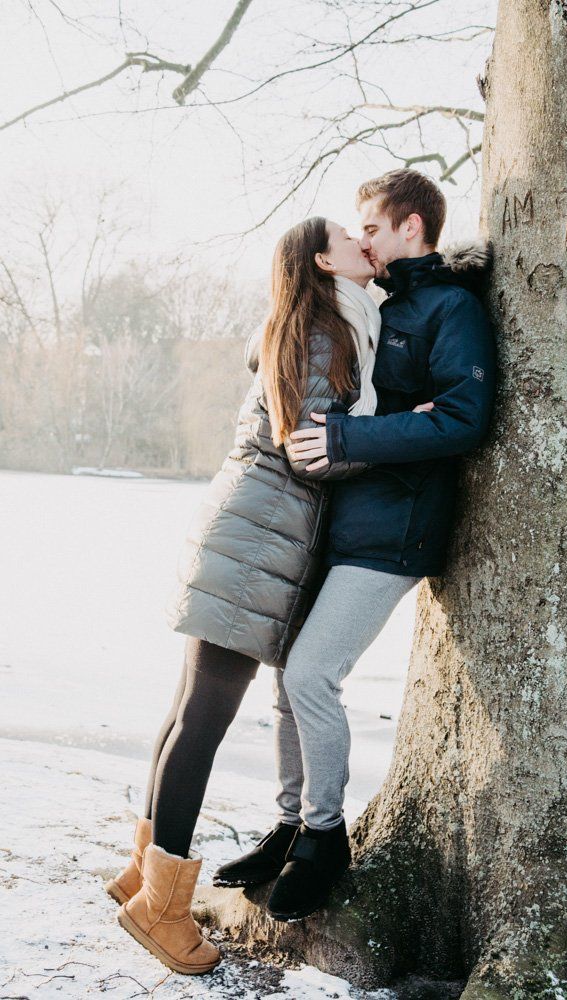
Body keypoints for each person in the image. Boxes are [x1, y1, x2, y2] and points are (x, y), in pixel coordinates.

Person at [213, 168, 496, 923]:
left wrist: (347, 435)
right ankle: (292, 823)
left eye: (369, 226)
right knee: (288, 682)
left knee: (311, 674)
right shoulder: (373, 307)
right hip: (340, 523)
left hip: (397, 529)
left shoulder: (449, 305)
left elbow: (463, 418)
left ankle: (325, 839)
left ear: (411, 227)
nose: (360, 238)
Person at [106, 216, 381, 975]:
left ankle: (141, 873)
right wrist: (393, 446)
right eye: (353, 241)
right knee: (201, 722)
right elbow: (311, 452)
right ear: (323, 260)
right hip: (256, 546)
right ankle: (161, 907)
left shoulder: (299, 325)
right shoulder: (325, 335)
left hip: (240, 536)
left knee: (184, 716)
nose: (368, 245)